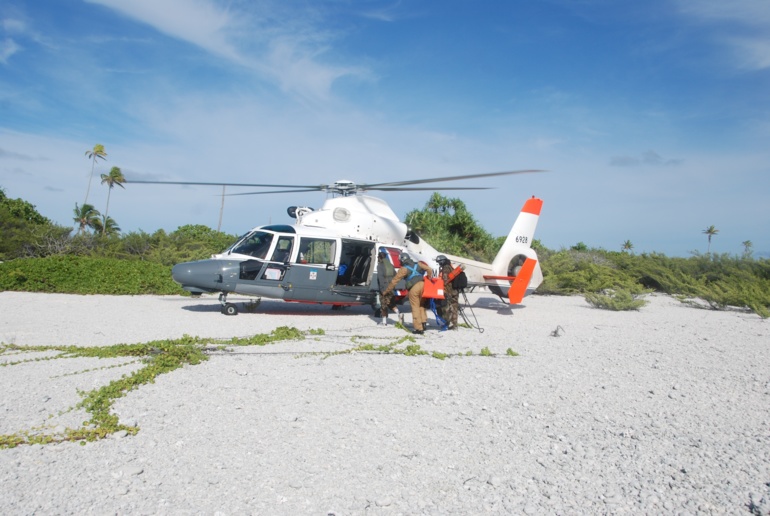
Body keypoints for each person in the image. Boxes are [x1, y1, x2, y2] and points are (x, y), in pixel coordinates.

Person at [382, 252, 433, 334]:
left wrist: (387, 291)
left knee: (415, 307)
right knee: (422, 305)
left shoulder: (404, 269)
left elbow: (394, 281)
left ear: (402, 260)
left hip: (414, 288)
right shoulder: (419, 264)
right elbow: (429, 269)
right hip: (424, 285)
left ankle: (418, 328)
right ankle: (423, 323)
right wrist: (429, 278)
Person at [376, 249, 399, 325]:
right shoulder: (391, 265)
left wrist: (382, 289)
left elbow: (380, 278)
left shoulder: (380, 266)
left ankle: (384, 321)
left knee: (383, 304)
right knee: (391, 303)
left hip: (384, 287)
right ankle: (399, 314)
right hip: (391, 287)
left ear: (379, 258)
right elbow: (395, 275)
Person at [436, 255, 459, 330]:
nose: (439, 264)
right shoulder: (450, 266)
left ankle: (448, 323)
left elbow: (445, 280)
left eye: (439, 262)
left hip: (449, 291)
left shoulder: (445, 268)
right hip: (455, 291)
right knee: (454, 308)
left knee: (447, 308)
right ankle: (455, 325)